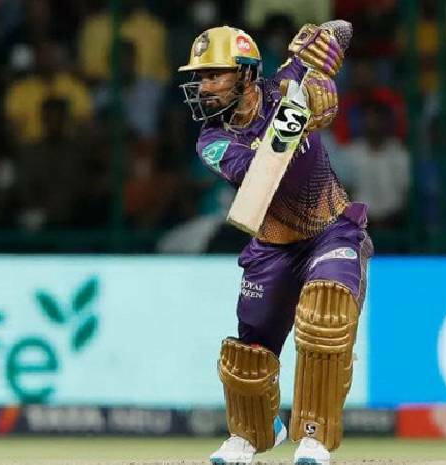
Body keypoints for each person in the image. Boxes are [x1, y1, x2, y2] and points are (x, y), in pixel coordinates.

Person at [178, 23, 373, 465]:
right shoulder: (212, 140)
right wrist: (299, 116)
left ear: (247, 73)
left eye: (214, 75)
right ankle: (252, 432)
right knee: (248, 357)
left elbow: (342, 31)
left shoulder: (288, 82)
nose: (203, 87)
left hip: (330, 230)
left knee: (326, 314)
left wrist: (320, 65)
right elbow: (261, 168)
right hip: (271, 247)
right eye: (200, 77)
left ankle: (314, 436)